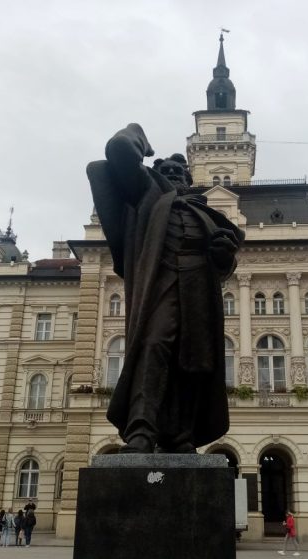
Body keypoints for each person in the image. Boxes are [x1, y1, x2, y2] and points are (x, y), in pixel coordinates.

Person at [87, 123, 244, 454]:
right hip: (162, 280)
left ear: (188, 179)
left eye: (179, 171)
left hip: (199, 285)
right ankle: (142, 430)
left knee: (195, 360)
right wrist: (140, 138)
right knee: (154, 345)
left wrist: (222, 255)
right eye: (167, 170)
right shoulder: (147, 193)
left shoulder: (208, 213)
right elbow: (118, 149)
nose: (174, 174)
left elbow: (225, 267)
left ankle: (180, 434)